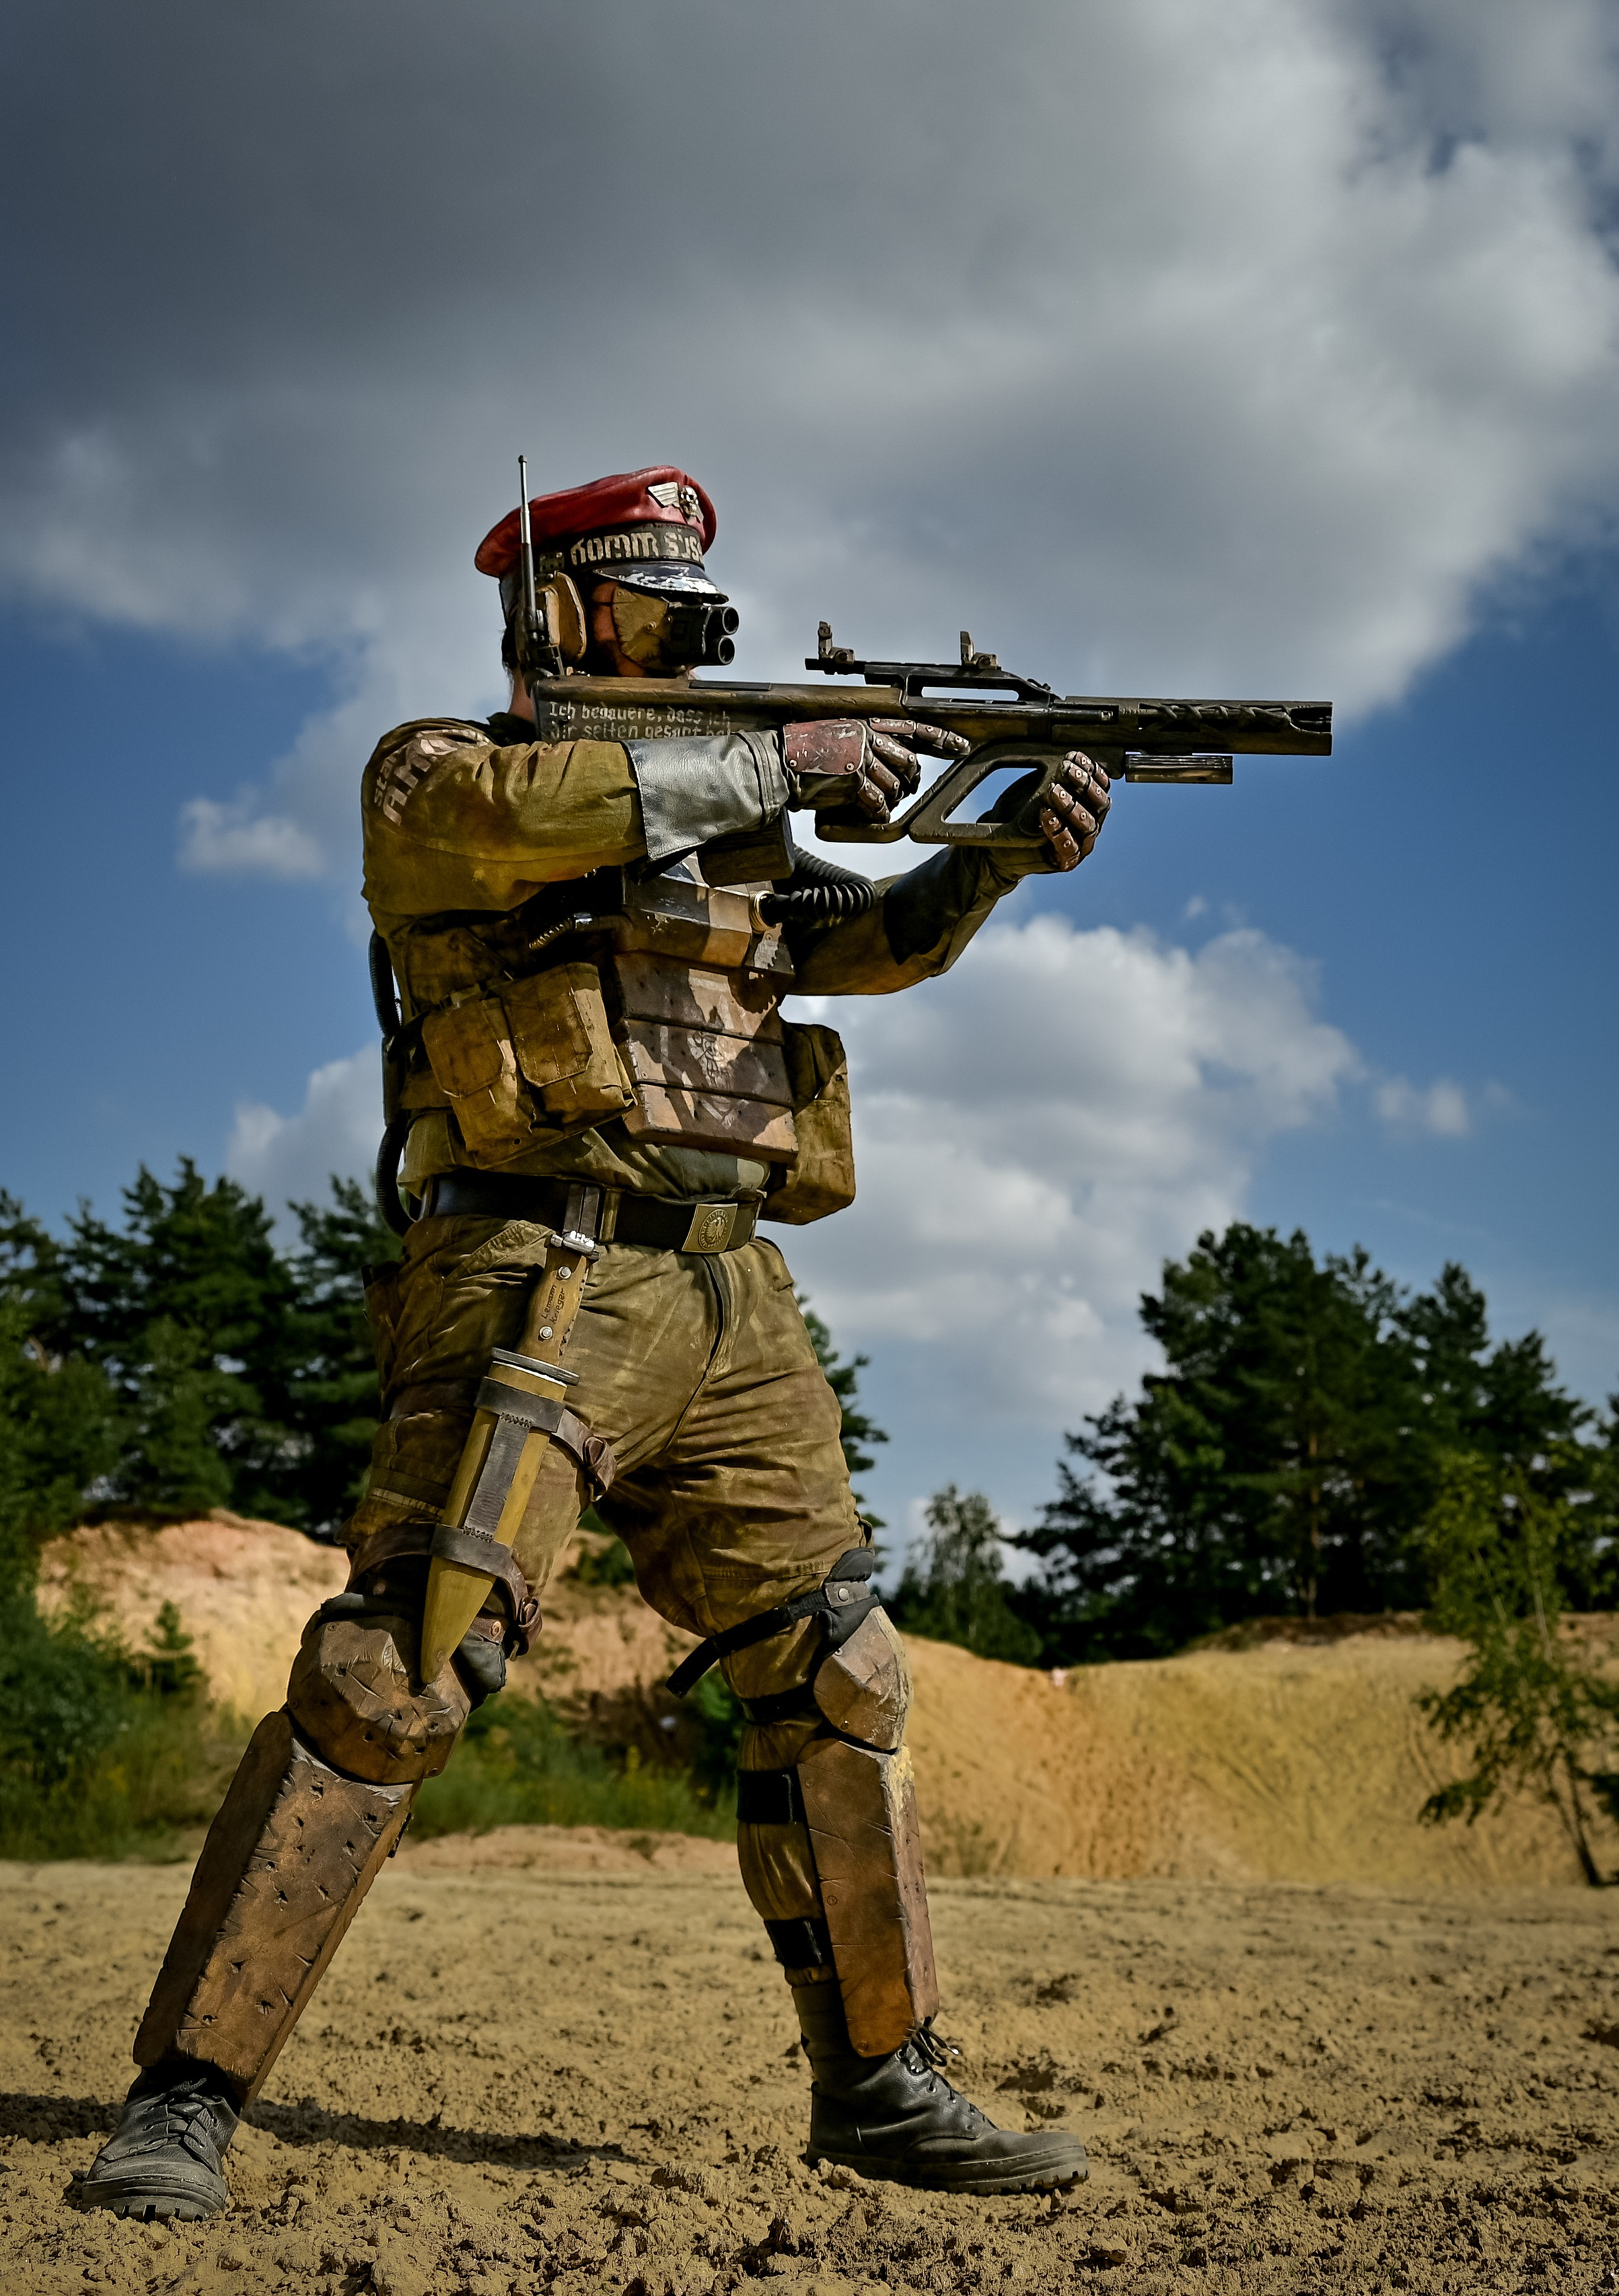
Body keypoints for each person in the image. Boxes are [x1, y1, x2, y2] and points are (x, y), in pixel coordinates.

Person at [81, 465, 1112, 2219]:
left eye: (698, 589)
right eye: (647, 588)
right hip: (532, 1262)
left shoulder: (732, 816)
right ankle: (185, 2101)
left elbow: (841, 952)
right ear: (554, 613)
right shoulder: (439, 773)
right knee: (400, 1666)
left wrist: (990, 859)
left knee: (838, 1673)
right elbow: (509, 824)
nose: (695, 614)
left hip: (731, 1291)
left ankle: (880, 2083)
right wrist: (788, 756)